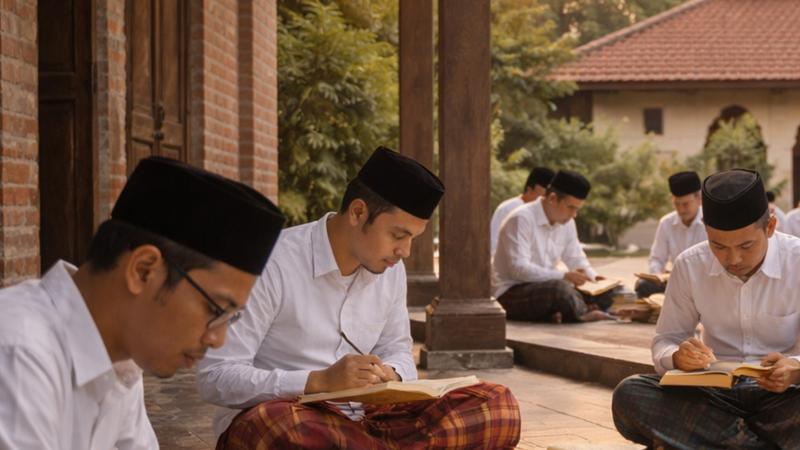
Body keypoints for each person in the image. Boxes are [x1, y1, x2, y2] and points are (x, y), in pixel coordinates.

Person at [197, 147, 521, 449]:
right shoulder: (274, 262)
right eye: (398, 235)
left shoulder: (391, 269)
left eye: (413, 239)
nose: (405, 251)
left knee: (495, 403)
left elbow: (397, 349)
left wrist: (391, 374)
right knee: (279, 426)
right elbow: (215, 377)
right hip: (292, 415)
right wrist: (319, 381)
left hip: (366, 422)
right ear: (357, 212)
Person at [0, 157, 285, 449]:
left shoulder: (121, 360)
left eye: (231, 318)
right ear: (143, 270)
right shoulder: (18, 352)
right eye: (216, 310)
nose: (218, 339)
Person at [612, 169, 800, 449]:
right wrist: (677, 357)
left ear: (770, 227)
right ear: (705, 228)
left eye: (746, 245)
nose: (733, 259)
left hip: (783, 396)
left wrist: (796, 367)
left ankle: (709, 441)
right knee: (629, 394)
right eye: (718, 245)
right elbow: (666, 340)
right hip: (712, 394)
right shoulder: (690, 265)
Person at [492, 169, 611, 323]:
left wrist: (593, 277)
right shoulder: (521, 218)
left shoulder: (567, 223)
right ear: (553, 198)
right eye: (571, 207)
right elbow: (518, 269)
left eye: (577, 209)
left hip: (544, 288)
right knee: (559, 291)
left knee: (611, 291)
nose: (574, 214)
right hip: (511, 292)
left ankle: (567, 311)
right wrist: (563, 276)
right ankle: (582, 314)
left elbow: (575, 257)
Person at [635, 171, 706, 298]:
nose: (681, 209)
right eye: (677, 204)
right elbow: (657, 259)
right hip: (675, 282)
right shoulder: (666, 223)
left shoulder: (710, 221)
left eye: (685, 204)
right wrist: (658, 276)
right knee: (643, 285)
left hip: (703, 282)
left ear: (699, 199)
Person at [490, 167, 555, 255]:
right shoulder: (508, 208)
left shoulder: (546, 215)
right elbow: (493, 244)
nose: (544, 201)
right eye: (543, 197)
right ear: (529, 190)